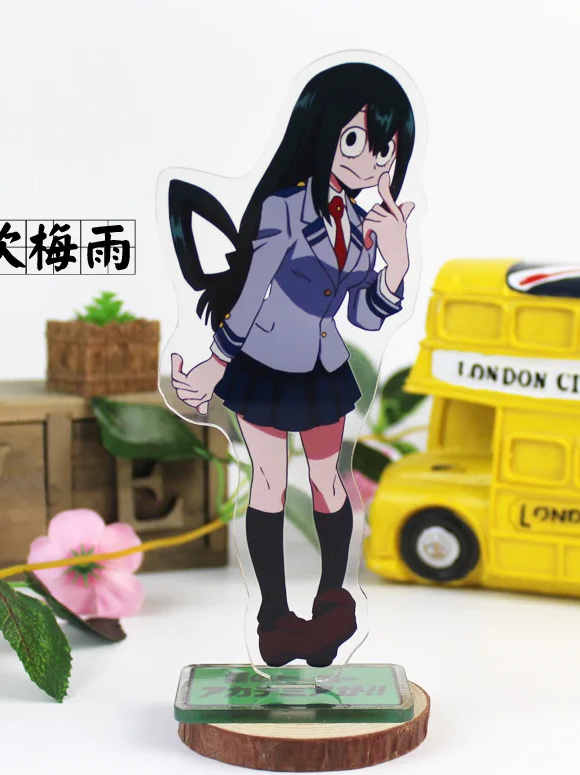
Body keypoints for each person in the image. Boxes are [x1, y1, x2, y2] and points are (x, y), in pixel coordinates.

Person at [167, 61, 416, 667]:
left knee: (328, 482)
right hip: (266, 365)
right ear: (322, 132)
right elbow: (252, 291)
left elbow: (365, 316)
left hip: (323, 369)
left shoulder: (365, 226)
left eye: (383, 149)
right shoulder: (283, 208)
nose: (369, 161)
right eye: (354, 140)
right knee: (271, 483)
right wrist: (216, 362)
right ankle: (274, 618)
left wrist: (396, 264)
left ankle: (332, 604)